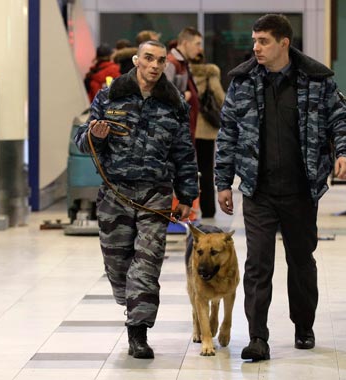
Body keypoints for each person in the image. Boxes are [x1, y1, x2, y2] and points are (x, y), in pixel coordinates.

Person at [215, 14, 346, 361]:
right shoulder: (244, 81)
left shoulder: (316, 80)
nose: (256, 48)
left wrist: (345, 152)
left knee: (301, 262)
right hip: (258, 190)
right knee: (258, 265)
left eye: (263, 41)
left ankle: (303, 326)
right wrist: (222, 182)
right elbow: (228, 133)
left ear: (283, 43)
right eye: (254, 41)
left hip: (300, 190)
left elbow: (343, 120)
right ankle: (257, 337)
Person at [74, 40, 199, 359]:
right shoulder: (110, 96)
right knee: (117, 266)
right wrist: (94, 136)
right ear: (136, 60)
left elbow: (184, 151)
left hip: (155, 195)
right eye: (149, 59)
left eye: (161, 60)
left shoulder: (173, 103)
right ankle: (129, 300)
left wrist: (186, 195)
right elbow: (82, 141)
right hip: (115, 193)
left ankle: (138, 332)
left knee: (147, 263)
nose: (155, 65)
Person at [189, 53, 226, 218]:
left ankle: (188, 208)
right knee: (206, 170)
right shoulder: (209, 74)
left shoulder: (186, 75)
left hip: (188, 128)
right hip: (205, 130)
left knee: (187, 169)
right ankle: (208, 209)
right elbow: (220, 97)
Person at [164, 27, 203, 142]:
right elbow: (164, 93)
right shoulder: (171, 62)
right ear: (185, 43)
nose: (200, 49)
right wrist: (183, 96)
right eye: (197, 44)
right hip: (176, 129)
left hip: (184, 126)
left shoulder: (183, 63)